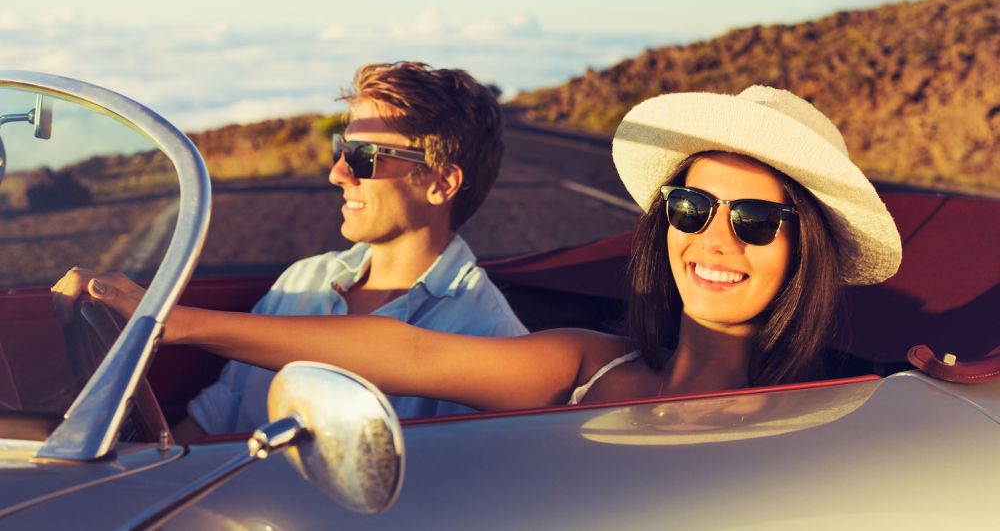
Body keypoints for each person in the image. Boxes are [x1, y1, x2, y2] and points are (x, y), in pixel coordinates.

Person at [53, 85, 901, 416]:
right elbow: (405, 351)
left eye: (755, 221)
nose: (715, 239)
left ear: (803, 252)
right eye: (691, 205)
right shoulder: (590, 362)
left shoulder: (828, 407)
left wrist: (938, 388)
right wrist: (170, 319)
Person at [55, 61, 528, 441]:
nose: (338, 174)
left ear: (442, 182)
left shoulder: (486, 335)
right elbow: (210, 428)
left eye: (365, 158)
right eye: (342, 149)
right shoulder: (301, 281)